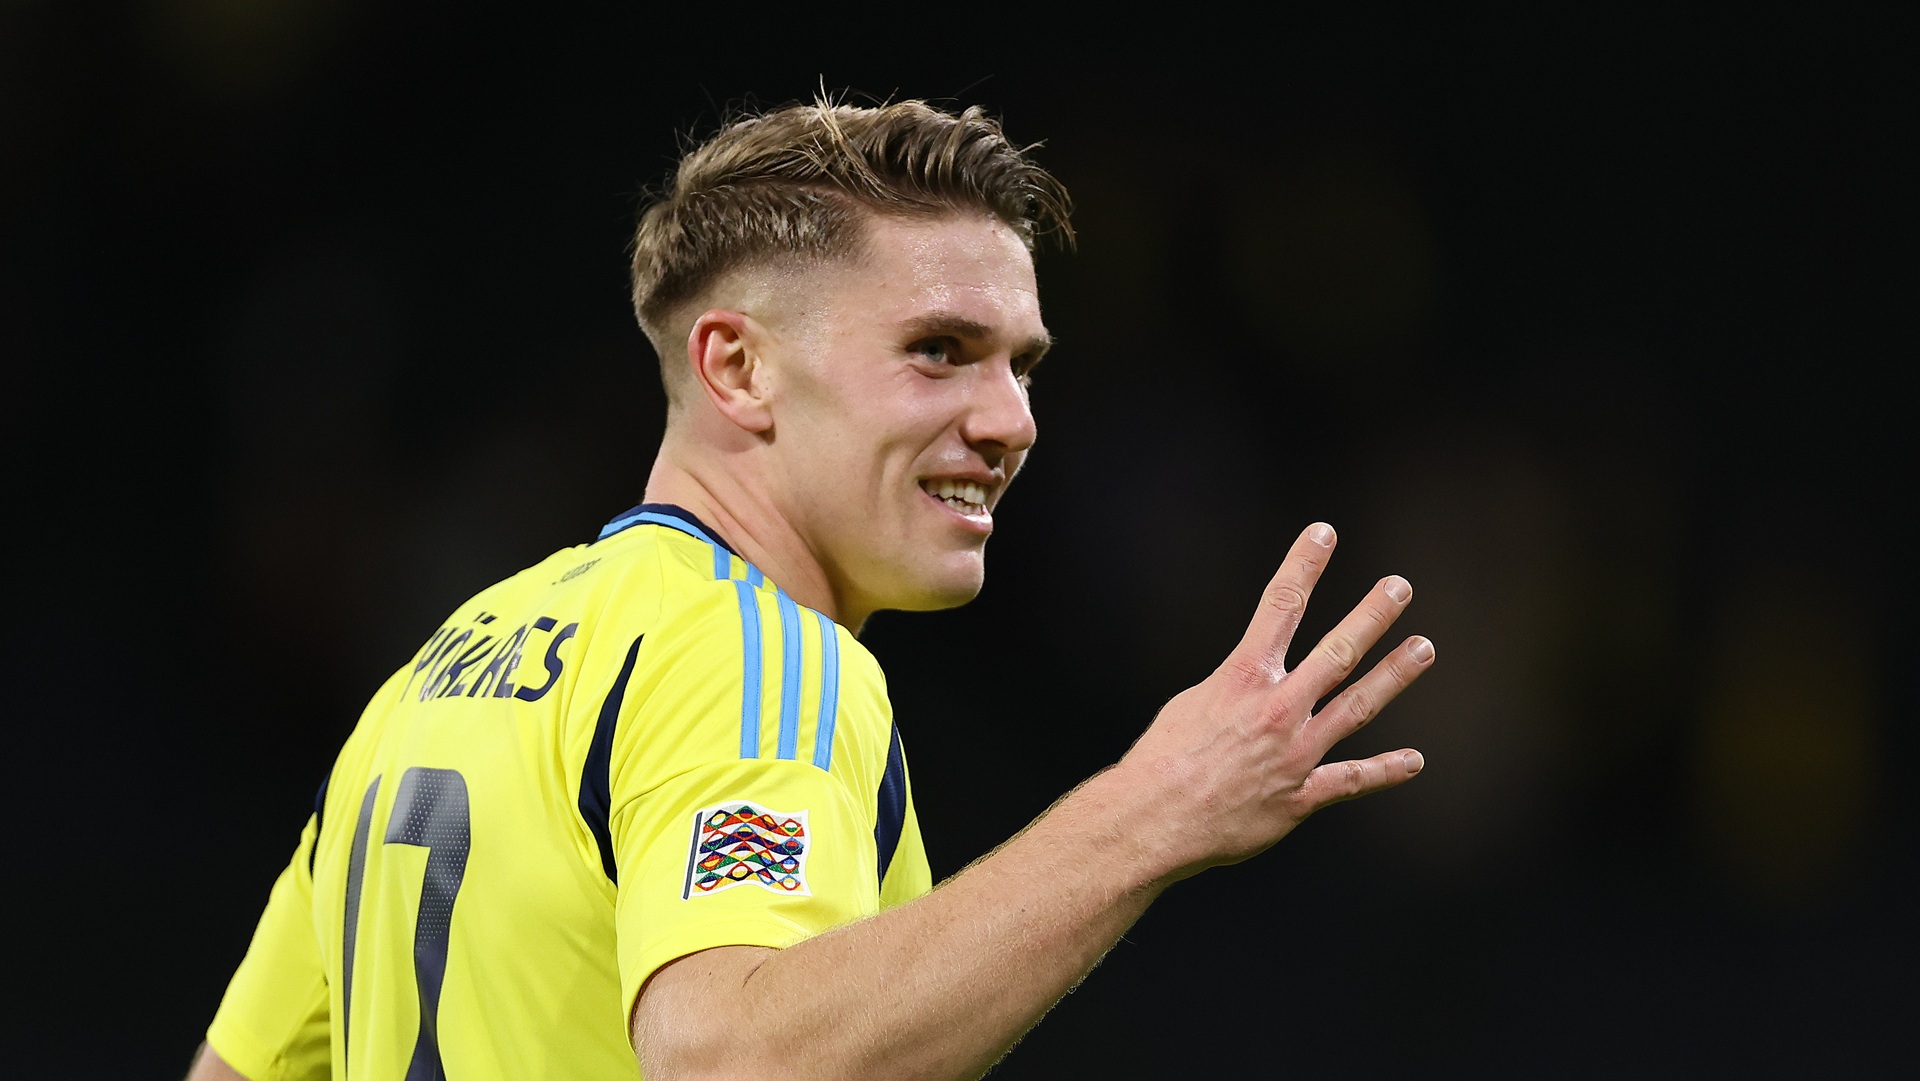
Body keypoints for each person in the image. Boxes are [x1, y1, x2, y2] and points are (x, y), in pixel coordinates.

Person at [189, 97, 1437, 1081]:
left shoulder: (439, 672)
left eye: (1023, 367)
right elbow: (738, 1059)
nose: (1010, 421)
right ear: (737, 367)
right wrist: (1161, 805)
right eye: (939, 351)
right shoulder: (757, 654)